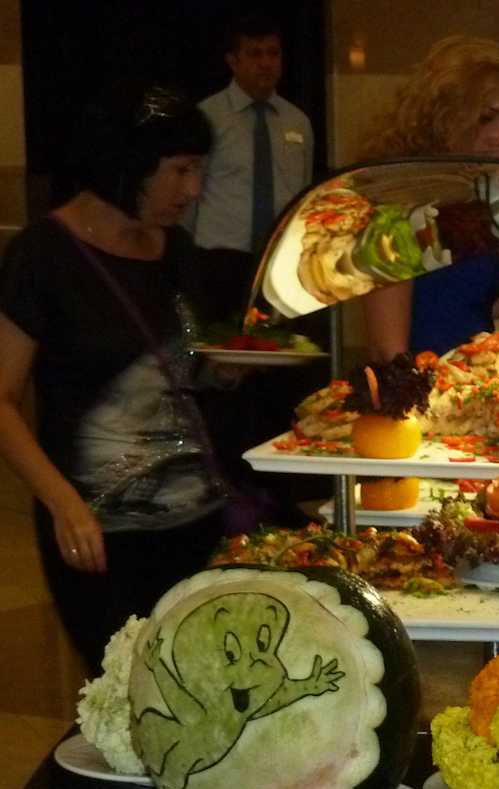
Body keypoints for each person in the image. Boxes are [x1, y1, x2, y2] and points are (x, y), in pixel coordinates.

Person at [0, 84, 238, 674]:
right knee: (123, 688)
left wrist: (224, 369)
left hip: (195, 524)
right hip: (98, 533)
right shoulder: (43, 256)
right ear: (127, 164)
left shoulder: (176, 251)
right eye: (180, 169)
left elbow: (188, 372)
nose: (193, 190)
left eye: (199, 170)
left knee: (198, 687)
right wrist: (62, 503)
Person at [356, 35, 499, 360]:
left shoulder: (466, 192)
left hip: (470, 379)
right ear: (445, 115)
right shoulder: (394, 203)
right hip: (426, 386)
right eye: (486, 118)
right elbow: (388, 350)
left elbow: (450, 297)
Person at [189, 12, 313, 253]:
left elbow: (304, 195)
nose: (266, 63)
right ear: (232, 61)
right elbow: (188, 197)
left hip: (279, 254)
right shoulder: (207, 116)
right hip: (218, 256)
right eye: (255, 54)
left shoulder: (299, 122)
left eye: (273, 53)